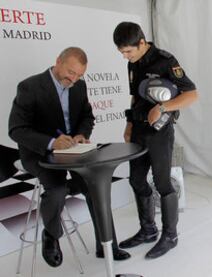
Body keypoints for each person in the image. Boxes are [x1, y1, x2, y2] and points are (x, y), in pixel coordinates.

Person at [8, 47, 130, 267]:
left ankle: (107, 246)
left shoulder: (79, 86)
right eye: (71, 72)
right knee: (57, 189)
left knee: (96, 185)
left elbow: (87, 116)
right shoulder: (29, 87)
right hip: (38, 153)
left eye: (79, 75)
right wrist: (52, 143)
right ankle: (51, 236)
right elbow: (16, 130)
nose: (73, 79)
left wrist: (82, 134)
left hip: (73, 152)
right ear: (58, 61)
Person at [113, 22, 198, 259]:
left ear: (142, 43)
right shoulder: (132, 64)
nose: (125, 56)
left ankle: (170, 236)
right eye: (121, 52)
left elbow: (191, 93)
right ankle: (148, 230)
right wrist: (129, 124)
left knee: (162, 184)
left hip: (160, 132)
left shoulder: (165, 60)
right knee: (136, 180)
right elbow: (135, 97)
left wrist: (162, 107)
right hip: (138, 130)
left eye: (128, 51)